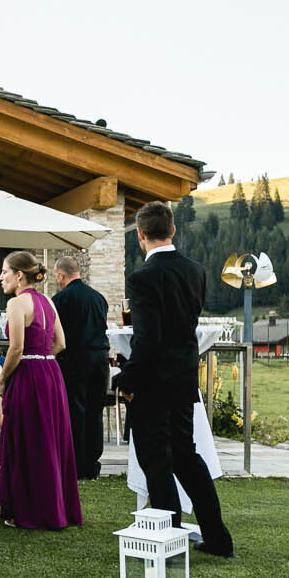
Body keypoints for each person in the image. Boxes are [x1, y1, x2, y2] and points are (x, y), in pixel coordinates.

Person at [120, 201, 233, 556]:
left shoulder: (142, 278)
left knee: (156, 460)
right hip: (184, 378)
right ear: (171, 230)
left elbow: (148, 338)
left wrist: (127, 379)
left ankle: (166, 542)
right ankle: (217, 538)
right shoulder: (195, 270)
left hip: (153, 382)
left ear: (140, 234)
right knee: (186, 456)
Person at [0, 251, 82, 530]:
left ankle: (28, 508)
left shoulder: (17, 303)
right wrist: (42, 357)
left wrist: (2, 378)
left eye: (5, 272)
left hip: (29, 375)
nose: (1, 277)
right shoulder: (47, 302)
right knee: (50, 440)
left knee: (27, 439)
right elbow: (61, 343)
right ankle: (56, 507)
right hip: (50, 374)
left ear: (19, 275)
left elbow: (16, 348)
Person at [51, 252, 110, 480]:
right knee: (95, 410)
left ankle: (76, 464)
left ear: (61, 275)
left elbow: (56, 333)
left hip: (75, 359)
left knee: (75, 411)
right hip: (100, 359)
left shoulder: (61, 299)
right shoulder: (98, 298)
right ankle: (93, 463)